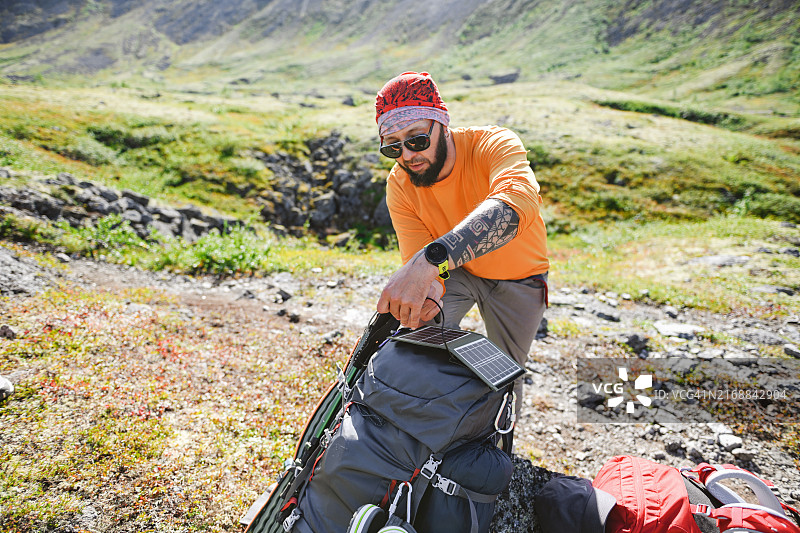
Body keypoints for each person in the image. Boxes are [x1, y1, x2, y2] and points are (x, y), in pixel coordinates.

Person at [374, 71, 549, 412]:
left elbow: (518, 201)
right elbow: (422, 266)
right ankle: (425, 424)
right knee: (417, 334)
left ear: (443, 123)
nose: (408, 155)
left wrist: (430, 260)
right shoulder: (399, 184)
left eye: (417, 139)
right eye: (393, 146)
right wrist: (425, 293)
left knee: (505, 375)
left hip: (521, 276)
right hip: (458, 270)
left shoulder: (492, 144)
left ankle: (498, 443)